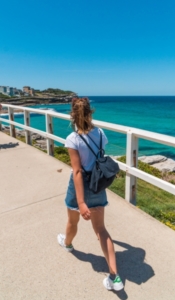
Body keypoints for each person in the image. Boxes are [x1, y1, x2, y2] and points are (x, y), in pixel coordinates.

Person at [57, 97, 124, 291]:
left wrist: (81, 202)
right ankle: (115, 277)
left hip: (80, 185)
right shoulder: (101, 133)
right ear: (90, 113)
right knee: (101, 230)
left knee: (72, 221)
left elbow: (77, 172)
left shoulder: (73, 139)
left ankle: (67, 244)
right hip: (97, 184)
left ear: (72, 115)